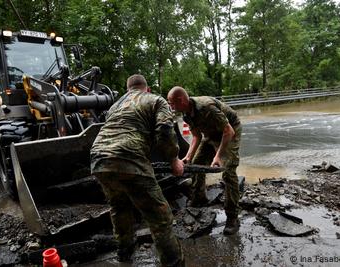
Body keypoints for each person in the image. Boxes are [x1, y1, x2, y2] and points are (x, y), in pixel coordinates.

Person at [91, 74, 185, 266]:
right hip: (129, 158)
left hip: (98, 159)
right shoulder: (155, 100)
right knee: (161, 219)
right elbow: (165, 129)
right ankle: (174, 263)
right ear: (147, 89)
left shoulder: (115, 106)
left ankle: (125, 255)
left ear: (128, 90)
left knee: (119, 207)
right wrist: (174, 159)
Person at [167, 86, 242, 235]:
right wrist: (188, 156)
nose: (170, 106)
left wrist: (218, 156)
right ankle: (199, 199)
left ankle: (233, 217)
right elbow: (196, 136)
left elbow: (229, 131)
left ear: (181, 100)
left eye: (171, 103)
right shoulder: (186, 113)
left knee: (228, 172)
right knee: (196, 165)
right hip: (210, 134)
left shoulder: (207, 108)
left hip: (229, 132)